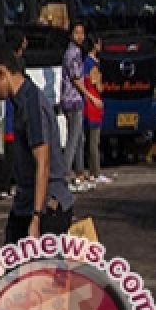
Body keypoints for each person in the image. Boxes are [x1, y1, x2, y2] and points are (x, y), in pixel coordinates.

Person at [0, 42, 75, 243]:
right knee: (12, 269)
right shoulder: (19, 101)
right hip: (25, 203)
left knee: (38, 272)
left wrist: (37, 218)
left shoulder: (32, 103)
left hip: (47, 207)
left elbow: (43, 163)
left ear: (1, 73)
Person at [0, 27, 28, 199]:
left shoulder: (13, 61)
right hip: (12, 115)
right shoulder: (16, 63)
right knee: (11, 155)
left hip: (13, 113)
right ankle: (3, 186)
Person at [60, 21, 89, 187]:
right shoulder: (72, 53)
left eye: (82, 32)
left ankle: (79, 173)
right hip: (72, 100)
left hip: (75, 99)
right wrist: (90, 97)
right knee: (73, 139)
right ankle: (64, 175)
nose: (80, 36)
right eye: (77, 32)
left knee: (79, 138)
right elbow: (76, 79)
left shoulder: (77, 51)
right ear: (71, 34)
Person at [82, 35, 109, 186]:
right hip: (95, 104)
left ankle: (93, 171)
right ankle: (96, 172)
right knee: (94, 141)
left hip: (88, 104)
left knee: (90, 140)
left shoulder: (85, 62)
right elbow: (98, 86)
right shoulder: (93, 65)